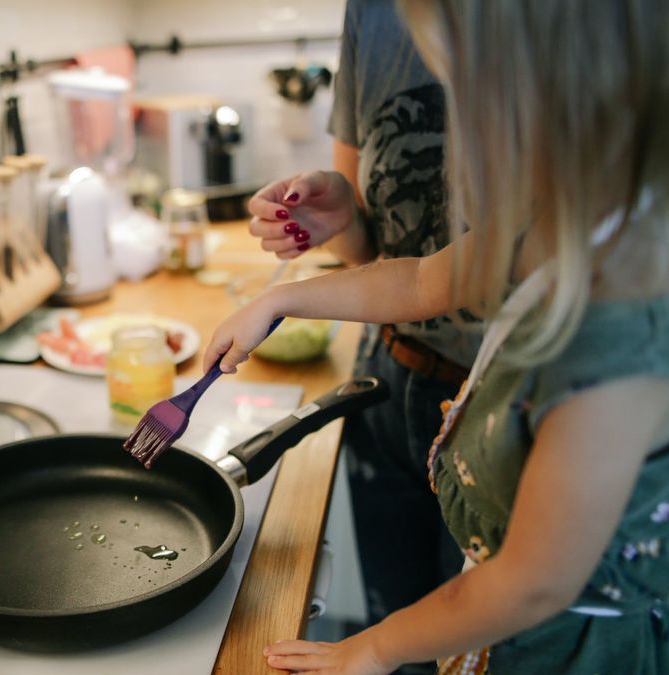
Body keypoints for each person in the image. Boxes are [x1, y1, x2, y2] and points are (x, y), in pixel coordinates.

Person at [207, 0, 669, 672]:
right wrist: (279, 300)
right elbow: (419, 281)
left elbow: (531, 583)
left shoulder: (620, 342)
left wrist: (374, 647)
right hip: (500, 623)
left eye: (468, 92)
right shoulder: (564, 221)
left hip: (566, 650)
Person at [249, 0, 468, 648]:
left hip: (508, 402)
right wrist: (341, 218)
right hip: (388, 385)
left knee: (470, 644)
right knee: (395, 626)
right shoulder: (372, 13)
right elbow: (389, 259)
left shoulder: (577, 27)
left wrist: (282, 300)